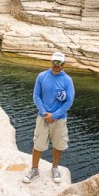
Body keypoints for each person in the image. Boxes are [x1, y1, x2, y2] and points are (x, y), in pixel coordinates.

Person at [23, 51, 75, 184]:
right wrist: (45, 113)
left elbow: (69, 101)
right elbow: (36, 96)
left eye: (59, 63)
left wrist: (55, 115)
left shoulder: (67, 80)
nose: (56, 65)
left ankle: (55, 168)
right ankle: (34, 169)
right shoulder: (42, 76)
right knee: (38, 144)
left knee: (58, 145)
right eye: (54, 62)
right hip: (43, 117)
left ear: (63, 64)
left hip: (59, 119)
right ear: (51, 62)